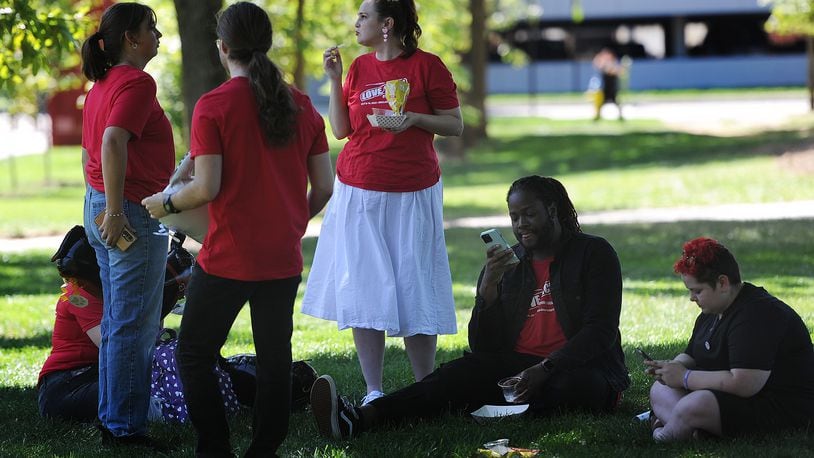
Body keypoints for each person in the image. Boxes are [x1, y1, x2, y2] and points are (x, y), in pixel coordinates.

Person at [141, 2, 334, 456]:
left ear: (223, 47)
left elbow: (204, 188)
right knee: (274, 358)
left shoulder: (214, 105)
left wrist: (162, 202)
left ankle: (215, 448)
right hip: (281, 256)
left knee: (194, 353)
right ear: (264, 44)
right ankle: (264, 449)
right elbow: (324, 186)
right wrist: (293, 224)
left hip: (228, 254)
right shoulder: (303, 105)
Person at [310, 175, 630, 439]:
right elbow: (483, 347)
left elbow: (599, 332)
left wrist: (544, 369)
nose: (521, 225)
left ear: (553, 209)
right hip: (517, 368)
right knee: (454, 374)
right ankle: (360, 417)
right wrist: (488, 287)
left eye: (529, 214)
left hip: (576, 369)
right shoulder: (511, 263)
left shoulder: (594, 253)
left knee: (573, 387)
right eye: (514, 217)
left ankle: (495, 408)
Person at [301, 0, 464, 406]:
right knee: (363, 286)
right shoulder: (358, 68)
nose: (355, 23)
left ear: (387, 24)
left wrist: (415, 119)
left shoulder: (428, 66)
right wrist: (335, 80)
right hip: (359, 190)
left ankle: (425, 388)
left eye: (363, 16)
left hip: (414, 191)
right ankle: (374, 390)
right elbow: (341, 130)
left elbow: (455, 124)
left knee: (415, 283)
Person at [79, 2, 174, 447]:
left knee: (120, 319)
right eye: (151, 29)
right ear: (131, 40)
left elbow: (89, 153)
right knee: (134, 323)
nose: (158, 37)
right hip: (127, 211)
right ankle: (124, 428)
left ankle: (113, 418)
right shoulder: (136, 81)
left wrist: (100, 200)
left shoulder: (101, 82)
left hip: (102, 205)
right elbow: (112, 141)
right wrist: (116, 210)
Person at [646, 237, 814, 442]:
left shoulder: (757, 314)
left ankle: (663, 434)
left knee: (697, 403)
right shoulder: (712, 311)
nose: (692, 298)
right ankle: (696, 430)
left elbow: (745, 383)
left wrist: (684, 377)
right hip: (740, 399)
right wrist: (670, 368)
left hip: (779, 405)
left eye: (697, 291)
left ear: (723, 283)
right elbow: (692, 355)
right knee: (661, 389)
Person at [591, 47, 623, 121]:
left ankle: (620, 116)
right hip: (605, 87)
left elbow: (618, 71)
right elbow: (597, 64)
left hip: (612, 87)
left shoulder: (614, 63)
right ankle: (598, 116)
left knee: (617, 102)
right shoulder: (603, 63)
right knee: (600, 103)